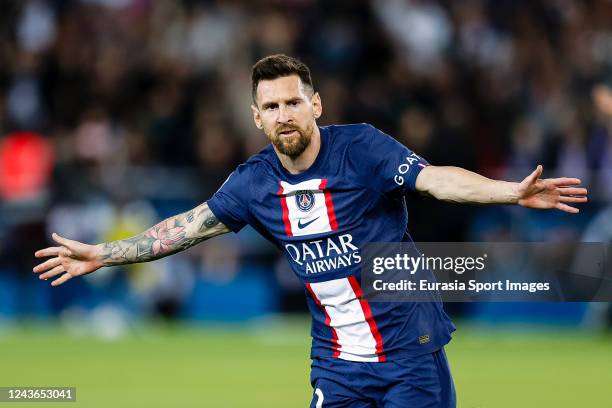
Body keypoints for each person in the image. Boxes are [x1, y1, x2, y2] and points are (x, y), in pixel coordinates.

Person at [33, 54, 588, 407]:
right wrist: (104, 254)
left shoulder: (363, 148)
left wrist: (509, 191)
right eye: (271, 106)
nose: (284, 114)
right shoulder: (252, 184)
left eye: (294, 101)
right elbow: (184, 228)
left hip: (411, 355)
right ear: (256, 117)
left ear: (315, 104)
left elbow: (436, 179)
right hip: (338, 365)